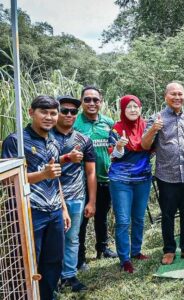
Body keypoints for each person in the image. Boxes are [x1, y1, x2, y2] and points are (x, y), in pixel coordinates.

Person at [2, 95, 71, 300]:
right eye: (44, 112)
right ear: (31, 112)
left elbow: (55, 176)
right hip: (28, 212)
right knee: (27, 262)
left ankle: (48, 296)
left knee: (53, 261)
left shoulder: (54, 141)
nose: (49, 117)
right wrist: (43, 175)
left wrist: (64, 208)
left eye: (53, 113)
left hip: (54, 211)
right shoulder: (16, 141)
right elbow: (8, 181)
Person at [142, 82, 184, 265]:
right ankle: (169, 250)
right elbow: (145, 146)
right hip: (166, 177)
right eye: (173, 94)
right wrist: (154, 128)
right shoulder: (156, 118)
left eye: (180, 94)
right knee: (167, 215)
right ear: (165, 97)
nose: (177, 97)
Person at [53, 95, 96, 292]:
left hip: (76, 196)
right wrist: (66, 159)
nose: (69, 115)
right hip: (50, 197)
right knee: (52, 240)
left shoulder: (83, 140)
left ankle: (69, 275)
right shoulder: (46, 137)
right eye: (65, 110)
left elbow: (90, 172)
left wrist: (92, 201)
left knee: (73, 238)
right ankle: (52, 278)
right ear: (56, 112)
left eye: (73, 112)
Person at [108, 95, 153, 273]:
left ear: (141, 109)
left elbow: (153, 147)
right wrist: (119, 146)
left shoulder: (146, 127)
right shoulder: (117, 128)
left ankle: (136, 251)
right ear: (123, 110)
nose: (133, 110)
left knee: (139, 218)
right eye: (129, 107)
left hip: (143, 179)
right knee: (123, 221)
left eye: (136, 106)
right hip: (121, 181)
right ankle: (124, 258)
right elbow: (112, 155)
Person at [75, 86, 117, 270]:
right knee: (81, 220)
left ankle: (103, 248)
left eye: (95, 100)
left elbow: (115, 146)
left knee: (101, 216)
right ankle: (80, 258)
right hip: (81, 181)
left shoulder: (108, 122)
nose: (92, 103)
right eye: (87, 99)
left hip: (105, 178)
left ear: (101, 101)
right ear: (82, 101)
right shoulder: (75, 124)